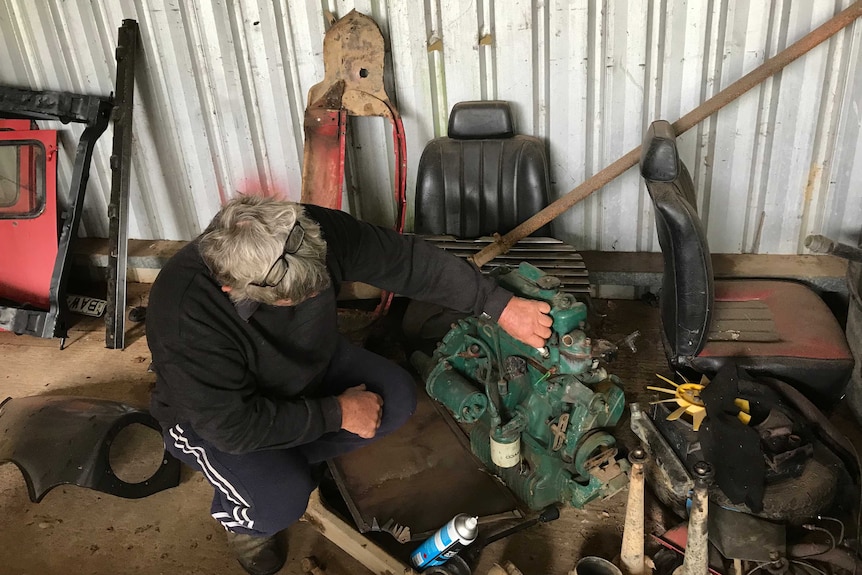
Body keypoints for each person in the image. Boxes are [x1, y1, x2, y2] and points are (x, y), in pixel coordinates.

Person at [146, 194, 552, 575]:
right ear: (233, 290)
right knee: (280, 499)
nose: (309, 302)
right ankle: (247, 519)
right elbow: (231, 426)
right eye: (294, 301)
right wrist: (336, 412)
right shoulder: (184, 311)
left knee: (395, 398)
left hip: (305, 370)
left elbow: (405, 261)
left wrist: (498, 304)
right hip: (213, 417)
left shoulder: (309, 229)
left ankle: (291, 455)